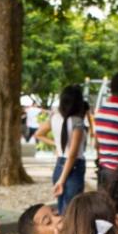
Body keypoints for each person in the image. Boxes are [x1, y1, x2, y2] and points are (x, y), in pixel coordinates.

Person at [34, 85, 90, 213]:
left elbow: (38, 134)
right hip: (74, 167)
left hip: (59, 165)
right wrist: (62, 180)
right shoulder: (77, 121)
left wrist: (58, 145)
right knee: (71, 211)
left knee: (62, 208)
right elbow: (72, 155)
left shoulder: (55, 116)